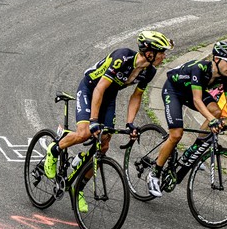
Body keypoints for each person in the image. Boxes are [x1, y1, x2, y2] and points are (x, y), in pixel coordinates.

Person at [44, 31, 172, 185]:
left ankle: (78, 188)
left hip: (109, 96)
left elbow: (136, 96)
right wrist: (93, 120)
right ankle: (54, 150)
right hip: (90, 88)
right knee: (85, 133)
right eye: (161, 52)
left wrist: (130, 123)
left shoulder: (149, 72)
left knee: (104, 145)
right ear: (150, 53)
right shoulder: (122, 57)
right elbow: (100, 88)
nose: (164, 56)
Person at [147, 42, 227, 198]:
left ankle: (194, 150)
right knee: (176, 134)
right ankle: (154, 173)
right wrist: (211, 120)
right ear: (216, 59)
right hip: (174, 91)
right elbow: (197, 100)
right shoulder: (199, 69)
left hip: (192, 92)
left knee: (216, 111)